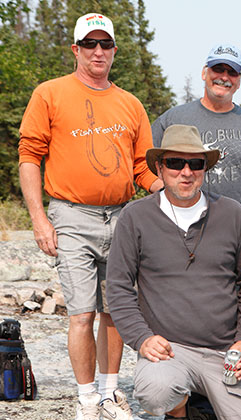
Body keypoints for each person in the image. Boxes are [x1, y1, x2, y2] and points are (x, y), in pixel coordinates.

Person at [18, 13, 162, 420]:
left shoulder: (130, 103)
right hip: (71, 215)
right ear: (76, 49)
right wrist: (39, 220)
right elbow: (29, 156)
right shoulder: (50, 93)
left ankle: (110, 392)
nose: (98, 52)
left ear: (114, 50)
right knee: (82, 312)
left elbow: (142, 168)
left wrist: (169, 191)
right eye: (90, 44)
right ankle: (85, 399)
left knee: (114, 310)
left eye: (105, 44)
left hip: (122, 217)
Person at [106, 124, 241, 420]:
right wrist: (142, 339)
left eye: (195, 163)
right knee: (156, 394)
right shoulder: (135, 217)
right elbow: (118, 287)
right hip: (169, 351)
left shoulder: (233, 214)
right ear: (160, 167)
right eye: (176, 163)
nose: (186, 172)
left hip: (224, 351)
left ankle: (205, 407)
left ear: (205, 168)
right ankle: (180, 413)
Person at [152, 43, 241, 229]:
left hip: (239, 236)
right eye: (217, 69)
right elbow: (147, 167)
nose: (224, 77)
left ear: (239, 81)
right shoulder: (172, 119)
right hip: (181, 232)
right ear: (204, 73)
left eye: (232, 72)